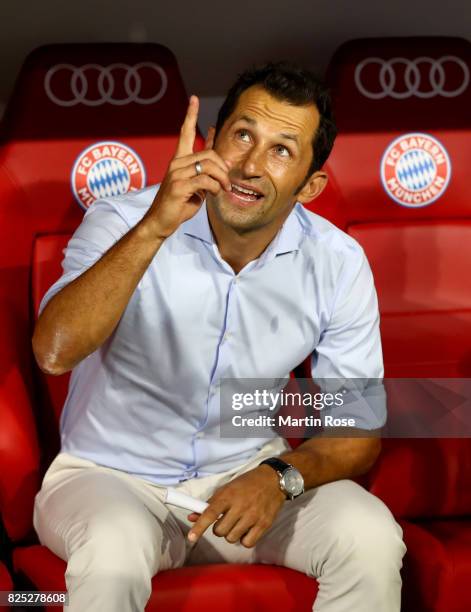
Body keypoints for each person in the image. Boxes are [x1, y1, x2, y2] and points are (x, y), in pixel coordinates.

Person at [32, 62, 406, 612]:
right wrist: (156, 227)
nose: (251, 166)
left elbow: (357, 431)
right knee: (112, 553)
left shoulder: (338, 262)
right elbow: (53, 352)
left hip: (247, 476)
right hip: (110, 478)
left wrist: (280, 477)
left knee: (369, 535)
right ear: (212, 142)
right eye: (243, 135)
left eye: (282, 150)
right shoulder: (124, 219)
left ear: (311, 186)